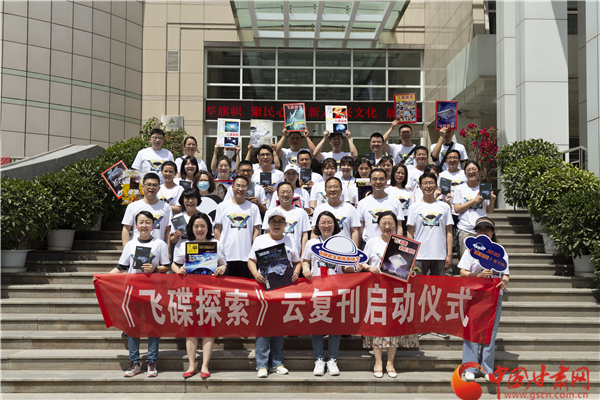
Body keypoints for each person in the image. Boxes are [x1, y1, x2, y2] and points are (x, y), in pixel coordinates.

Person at [93, 211, 170, 378]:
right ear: (135, 225)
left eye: (148, 222)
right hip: (133, 291)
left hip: (153, 292)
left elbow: (167, 266)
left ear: (153, 225)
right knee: (132, 327)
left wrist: (155, 269)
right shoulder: (130, 245)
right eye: (141, 222)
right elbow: (121, 267)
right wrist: (102, 277)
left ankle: (151, 362)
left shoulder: (160, 244)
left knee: (153, 328)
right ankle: (134, 363)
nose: (144, 225)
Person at [358, 211, 419, 378]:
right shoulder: (372, 242)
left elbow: (409, 266)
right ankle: (378, 362)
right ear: (378, 225)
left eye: (390, 223)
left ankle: (390, 362)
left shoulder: (403, 244)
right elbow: (361, 262)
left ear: (396, 225)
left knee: (393, 326)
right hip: (376, 291)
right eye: (383, 223)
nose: (387, 226)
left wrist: (410, 271)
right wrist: (369, 267)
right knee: (377, 326)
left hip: (396, 291)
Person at [171, 212, 226, 379]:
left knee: (208, 329)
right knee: (191, 329)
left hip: (210, 291)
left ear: (208, 227)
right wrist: (179, 270)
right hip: (190, 291)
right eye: (196, 226)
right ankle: (191, 365)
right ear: (191, 228)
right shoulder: (185, 245)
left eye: (203, 226)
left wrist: (222, 268)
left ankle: (205, 365)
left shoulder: (216, 243)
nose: (200, 229)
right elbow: (173, 264)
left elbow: (224, 263)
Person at [302, 211, 358, 376]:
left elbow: (346, 266)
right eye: (323, 222)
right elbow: (305, 261)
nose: (326, 226)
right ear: (317, 225)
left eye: (329, 222)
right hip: (316, 289)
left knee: (335, 326)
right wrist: (305, 268)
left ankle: (332, 360)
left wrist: (356, 267)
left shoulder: (342, 243)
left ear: (335, 224)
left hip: (336, 289)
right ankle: (319, 359)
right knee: (317, 324)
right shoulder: (312, 243)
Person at [248, 210, 301, 378]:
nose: (276, 224)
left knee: (279, 326)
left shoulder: (290, 240)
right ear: (268, 224)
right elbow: (251, 261)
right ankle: (262, 365)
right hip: (263, 289)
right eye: (273, 221)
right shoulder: (260, 240)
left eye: (280, 221)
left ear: (285, 225)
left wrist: (296, 272)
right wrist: (255, 274)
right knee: (263, 326)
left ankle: (277, 362)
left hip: (283, 289)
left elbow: (297, 262)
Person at [461, 217, 509, 382]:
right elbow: (463, 272)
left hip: (494, 296)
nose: (483, 232)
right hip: (474, 295)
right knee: (472, 331)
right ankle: (470, 368)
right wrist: (478, 275)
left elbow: (506, 274)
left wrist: (504, 283)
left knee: (490, 332)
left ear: (493, 232)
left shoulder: (500, 251)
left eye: (487, 229)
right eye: (480, 229)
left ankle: (487, 369)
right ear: (475, 232)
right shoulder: (470, 251)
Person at [214, 176, 262, 278]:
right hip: (226, 256)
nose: (240, 189)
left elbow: (256, 231)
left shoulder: (253, 208)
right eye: (238, 186)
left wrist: (254, 252)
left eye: (243, 186)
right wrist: (216, 252)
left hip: (246, 256)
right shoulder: (222, 206)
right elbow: (217, 229)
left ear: (247, 189)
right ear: (232, 187)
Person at [407, 172, 453, 277]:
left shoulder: (445, 207)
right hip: (419, 255)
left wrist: (449, 254)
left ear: (436, 186)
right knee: (418, 284)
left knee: (439, 285)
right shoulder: (414, 207)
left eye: (431, 183)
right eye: (425, 183)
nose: (428, 186)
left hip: (439, 255)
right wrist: (411, 255)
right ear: (420, 186)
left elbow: (449, 232)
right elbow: (410, 233)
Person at [453, 161, 496, 256]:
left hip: (482, 229)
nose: (471, 172)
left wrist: (492, 201)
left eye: (474, 169)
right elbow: (457, 209)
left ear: (479, 171)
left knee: (482, 258)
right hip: (466, 229)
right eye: (468, 170)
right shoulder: (460, 189)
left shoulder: (484, 188)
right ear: (465, 173)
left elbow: (489, 210)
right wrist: (473, 201)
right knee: (466, 259)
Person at [121, 173, 172, 249]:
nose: (151, 187)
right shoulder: (132, 206)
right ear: (142, 187)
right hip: (137, 249)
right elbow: (126, 228)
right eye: (148, 185)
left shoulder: (166, 207)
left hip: (157, 249)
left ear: (159, 188)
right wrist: (126, 249)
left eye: (155, 185)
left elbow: (168, 231)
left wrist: (167, 251)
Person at [357, 168, 403, 247]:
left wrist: (398, 246)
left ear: (386, 181)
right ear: (370, 182)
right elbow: (361, 228)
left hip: (390, 245)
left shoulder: (395, 202)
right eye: (375, 179)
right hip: (369, 245)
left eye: (381, 179)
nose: (378, 182)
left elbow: (399, 226)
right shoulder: (362, 203)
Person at [263, 182, 311, 255]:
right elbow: (266, 233)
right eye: (282, 192)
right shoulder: (270, 212)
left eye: (288, 192)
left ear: (293, 194)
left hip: (295, 255)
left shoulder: (302, 212)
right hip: (275, 255)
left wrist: (303, 256)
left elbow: (304, 235)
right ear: (277, 195)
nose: (285, 195)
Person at [312, 177, 360, 244]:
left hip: (345, 247)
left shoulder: (350, 208)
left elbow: (354, 231)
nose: (332, 189)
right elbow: (314, 232)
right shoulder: (319, 209)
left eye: (335, 187)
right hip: (324, 248)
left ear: (341, 189)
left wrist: (354, 248)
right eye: (329, 187)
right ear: (325, 190)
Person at [385, 163, 412, 234]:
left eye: (403, 173)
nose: (400, 175)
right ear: (393, 174)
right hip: (392, 222)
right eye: (398, 173)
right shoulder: (387, 191)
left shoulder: (410, 193)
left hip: (407, 223)